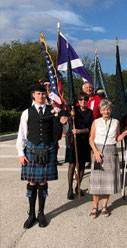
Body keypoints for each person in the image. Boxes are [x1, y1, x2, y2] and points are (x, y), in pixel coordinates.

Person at [16, 84, 68, 228]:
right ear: (33, 95)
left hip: (48, 149)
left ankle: (41, 213)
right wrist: (21, 153)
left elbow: (59, 133)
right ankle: (31, 214)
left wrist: (63, 124)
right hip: (32, 150)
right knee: (32, 183)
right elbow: (22, 134)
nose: (42, 96)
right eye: (39, 93)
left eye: (43, 94)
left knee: (43, 183)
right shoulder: (26, 112)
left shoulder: (53, 111)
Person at [88, 99, 127, 218]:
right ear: (100, 111)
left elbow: (116, 138)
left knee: (108, 182)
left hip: (111, 152)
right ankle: (95, 207)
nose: (106, 111)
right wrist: (95, 152)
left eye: (108, 109)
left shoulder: (116, 122)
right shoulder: (96, 122)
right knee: (96, 182)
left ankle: (105, 206)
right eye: (104, 109)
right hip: (98, 152)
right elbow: (91, 139)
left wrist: (124, 134)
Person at [65, 92, 93, 200]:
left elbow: (89, 128)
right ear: (78, 101)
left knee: (81, 165)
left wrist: (79, 131)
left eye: (85, 100)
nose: (83, 102)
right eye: (81, 100)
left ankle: (78, 187)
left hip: (84, 141)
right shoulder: (73, 110)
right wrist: (69, 113)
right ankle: (69, 189)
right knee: (72, 164)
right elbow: (64, 113)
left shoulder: (90, 113)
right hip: (73, 141)